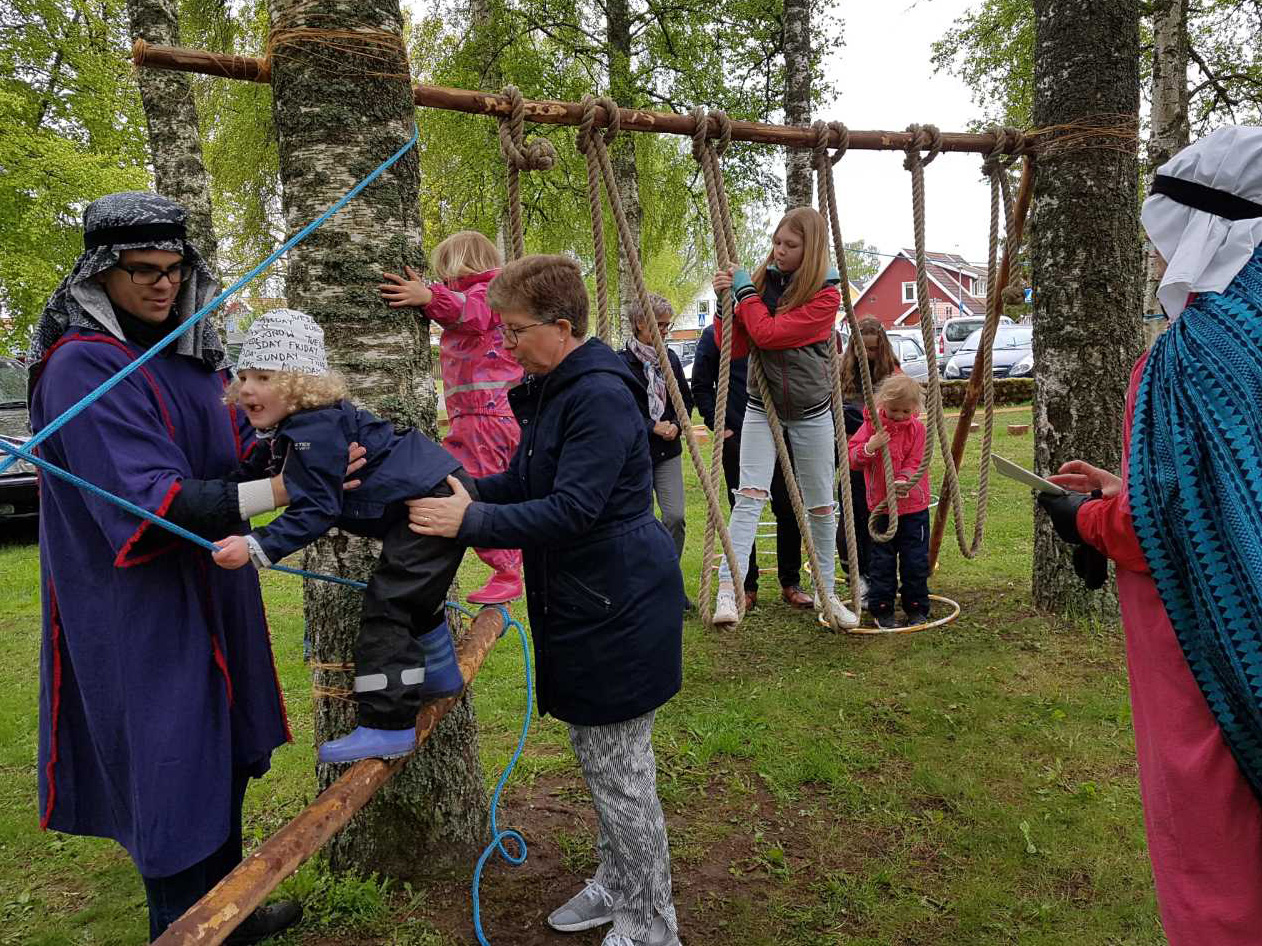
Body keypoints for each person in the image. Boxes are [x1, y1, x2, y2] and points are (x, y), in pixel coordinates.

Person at [28, 192, 301, 943]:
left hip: (215, 588)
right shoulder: (83, 370)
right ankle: (185, 931)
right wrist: (281, 490)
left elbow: (238, 450)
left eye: (175, 270)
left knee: (224, 761)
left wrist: (302, 441)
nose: (162, 285)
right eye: (142, 270)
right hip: (140, 611)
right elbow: (155, 504)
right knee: (173, 770)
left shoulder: (188, 358)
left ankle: (232, 916)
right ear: (97, 275)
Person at [407, 255, 684, 946]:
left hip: (617, 600)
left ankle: (651, 925)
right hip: (594, 597)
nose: (502, 344)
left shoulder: (596, 396)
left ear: (562, 328)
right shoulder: (560, 387)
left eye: (515, 330)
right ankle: (620, 885)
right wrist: (467, 488)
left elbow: (572, 508)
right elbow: (529, 478)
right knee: (604, 763)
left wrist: (467, 522)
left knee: (622, 774)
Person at [1037, 126, 1262, 945]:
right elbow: (1222, 490)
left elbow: (1163, 521)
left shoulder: (1196, 352)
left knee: (1216, 841)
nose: (1162, 263)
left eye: (1165, 242)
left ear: (1204, 229)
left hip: (1211, 645)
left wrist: (1089, 518)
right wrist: (1123, 490)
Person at [211, 309, 469, 766]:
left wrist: (256, 547)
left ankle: (387, 726)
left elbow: (318, 507)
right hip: (422, 498)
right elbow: (263, 467)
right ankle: (441, 675)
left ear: (298, 385)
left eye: (264, 377)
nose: (247, 388)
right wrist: (222, 491)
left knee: (389, 608)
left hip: (429, 506)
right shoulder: (295, 427)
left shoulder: (314, 428)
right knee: (413, 597)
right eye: (243, 375)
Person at [709, 207, 858, 629]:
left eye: (790, 246)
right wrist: (726, 306)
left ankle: (827, 595)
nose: (779, 251)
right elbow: (735, 347)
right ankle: (729, 590)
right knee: (749, 496)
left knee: (821, 506)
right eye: (777, 243)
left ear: (810, 250)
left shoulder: (827, 294)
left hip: (811, 411)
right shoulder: (759, 283)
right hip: (763, 406)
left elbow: (770, 333)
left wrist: (745, 297)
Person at [378, 231, 523, 604]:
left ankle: (507, 569)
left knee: (463, 489)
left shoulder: (491, 293)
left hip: (483, 416)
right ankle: (511, 560)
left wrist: (427, 296)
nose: (441, 278)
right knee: (476, 486)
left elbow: (470, 312)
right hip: (485, 415)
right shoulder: (489, 292)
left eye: (444, 270)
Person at [690, 313, 813, 611]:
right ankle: (746, 586)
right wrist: (722, 427)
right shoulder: (713, 337)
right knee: (744, 510)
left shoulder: (766, 332)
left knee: (788, 506)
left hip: (779, 431)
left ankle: (790, 582)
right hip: (738, 435)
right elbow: (702, 386)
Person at [847, 374, 931, 630]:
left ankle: (916, 607)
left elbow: (916, 461)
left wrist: (905, 480)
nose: (899, 415)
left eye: (906, 410)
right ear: (882, 404)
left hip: (913, 507)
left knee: (915, 560)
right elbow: (852, 458)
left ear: (915, 409)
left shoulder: (917, 430)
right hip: (881, 507)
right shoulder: (871, 427)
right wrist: (870, 447)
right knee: (881, 561)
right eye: (894, 410)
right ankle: (882, 609)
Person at [617, 292, 692, 561]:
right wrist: (651, 427)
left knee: (675, 516)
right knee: (641, 520)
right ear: (640, 323)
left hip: (667, 451)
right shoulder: (622, 364)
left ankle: (670, 576)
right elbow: (619, 411)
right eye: (658, 325)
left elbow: (684, 400)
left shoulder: (669, 360)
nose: (663, 331)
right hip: (637, 453)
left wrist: (675, 424)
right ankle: (646, 583)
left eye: (666, 325)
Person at [836, 317, 903, 607]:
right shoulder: (841, 373)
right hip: (854, 455)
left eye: (874, 350)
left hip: (884, 457)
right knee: (853, 515)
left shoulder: (894, 374)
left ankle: (881, 575)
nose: (869, 355)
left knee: (881, 517)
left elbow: (906, 412)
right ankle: (857, 575)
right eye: (864, 349)